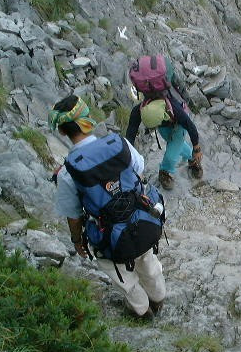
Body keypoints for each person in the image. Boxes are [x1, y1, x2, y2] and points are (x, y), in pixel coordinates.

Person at [50, 95, 166, 319]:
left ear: (62, 131)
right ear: (87, 120)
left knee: (123, 276)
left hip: (109, 236)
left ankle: (142, 311)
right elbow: (139, 172)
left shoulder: (67, 173)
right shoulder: (119, 144)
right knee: (149, 263)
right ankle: (158, 298)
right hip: (142, 220)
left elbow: (74, 215)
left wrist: (77, 241)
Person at [126, 56, 203, 190]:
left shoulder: (175, 108)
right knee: (177, 146)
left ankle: (165, 172)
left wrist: (197, 149)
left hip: (178, 125)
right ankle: (192, 159)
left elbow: (190, 126)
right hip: (164, 127)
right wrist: (128, 154)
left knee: (171, 155)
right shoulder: (139, 110)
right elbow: (131, 133)